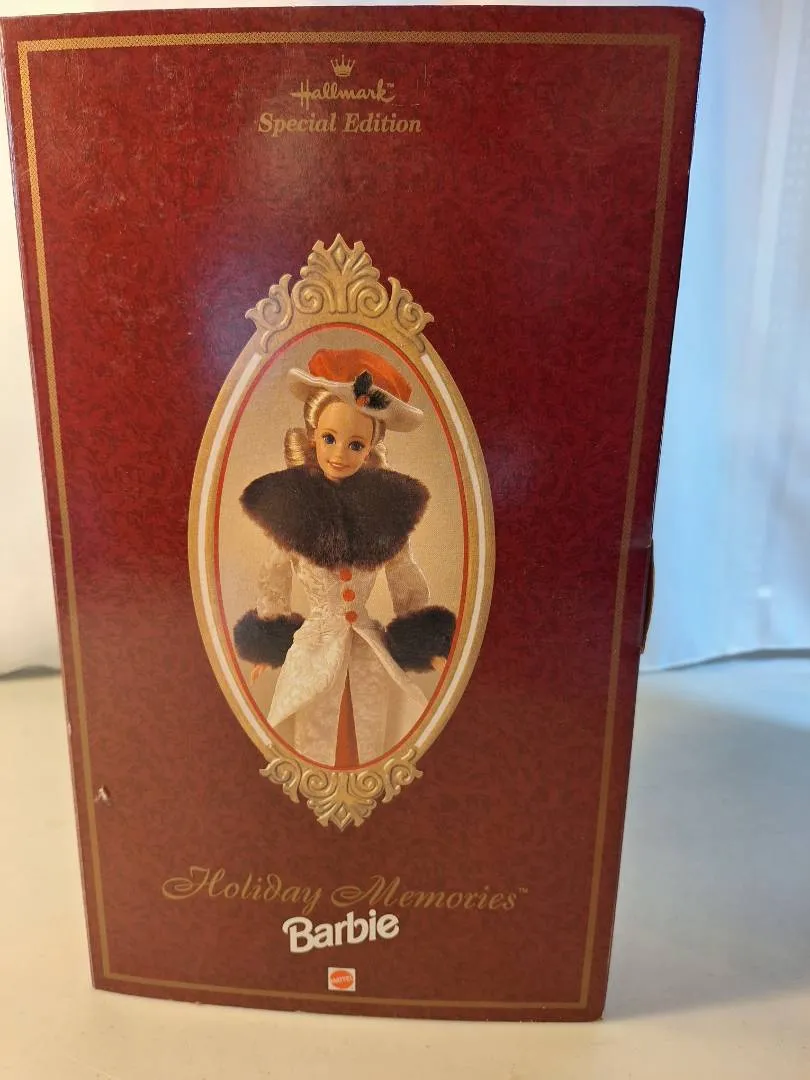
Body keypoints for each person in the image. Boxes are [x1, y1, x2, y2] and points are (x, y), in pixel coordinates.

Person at [233, 347, 456, 768]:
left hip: (368, 651)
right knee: (313, 731)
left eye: (355, 444)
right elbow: (275, 575)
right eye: (329, 439)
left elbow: (404, 574)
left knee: (373, 732)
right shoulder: (294, 512)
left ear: (369, 449)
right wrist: (268, 641)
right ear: (313, 437)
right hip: (315, 647)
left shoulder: (385, 515)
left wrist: (424, 640)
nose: (339, 454)